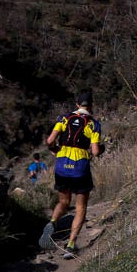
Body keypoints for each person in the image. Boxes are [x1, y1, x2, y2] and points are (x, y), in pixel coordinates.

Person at [38, 91, 103, 258]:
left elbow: (50, 141)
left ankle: (52, 223)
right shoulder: (93, 124)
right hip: (80, 168)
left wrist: (54, 150)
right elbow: (95, 151)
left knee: (64, 201)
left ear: (77, 105)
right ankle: (71, 245)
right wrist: (101, 149)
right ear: (91, 105)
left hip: (61, 166)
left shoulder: (64, 118)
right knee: (80, 207)